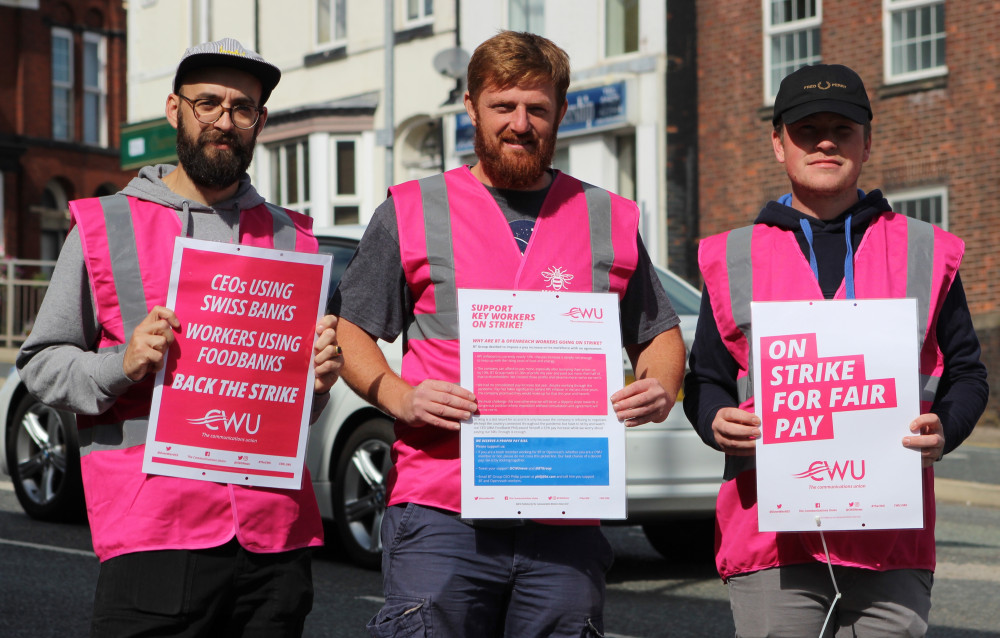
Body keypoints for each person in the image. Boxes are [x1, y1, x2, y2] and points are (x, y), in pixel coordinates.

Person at [330, 30, 686, 637]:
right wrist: (399, 396)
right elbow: (350, 332)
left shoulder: (608, 216)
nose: (520, 124)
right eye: (503, 106)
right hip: (443, 509)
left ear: (560, 113)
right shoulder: (412, 209)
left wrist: (658, 387)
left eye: (537, 108)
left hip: (566, 513)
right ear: (471, 107)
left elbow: (659, 334)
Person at [17, 38, 342, 637]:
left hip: (275, 540)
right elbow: (40, 364)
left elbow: (297, 403)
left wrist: (318, 382)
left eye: (242, 108)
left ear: (260, 122)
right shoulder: (105, 223)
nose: (224, 120)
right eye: (208, 103)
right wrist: (124, 363)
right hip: (154, 534)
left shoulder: (296, 240)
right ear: (175, 110)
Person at [684, 63, 989, 637]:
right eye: (806, 130)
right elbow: (706, 379)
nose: (825, 141)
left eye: (842, 129)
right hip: (769, 540)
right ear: (779, 144)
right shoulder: (732, 256)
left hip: (891, 539)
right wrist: (712, 420)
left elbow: (968, 372)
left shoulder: (924, 248)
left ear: (867, 142)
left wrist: (946, 429)